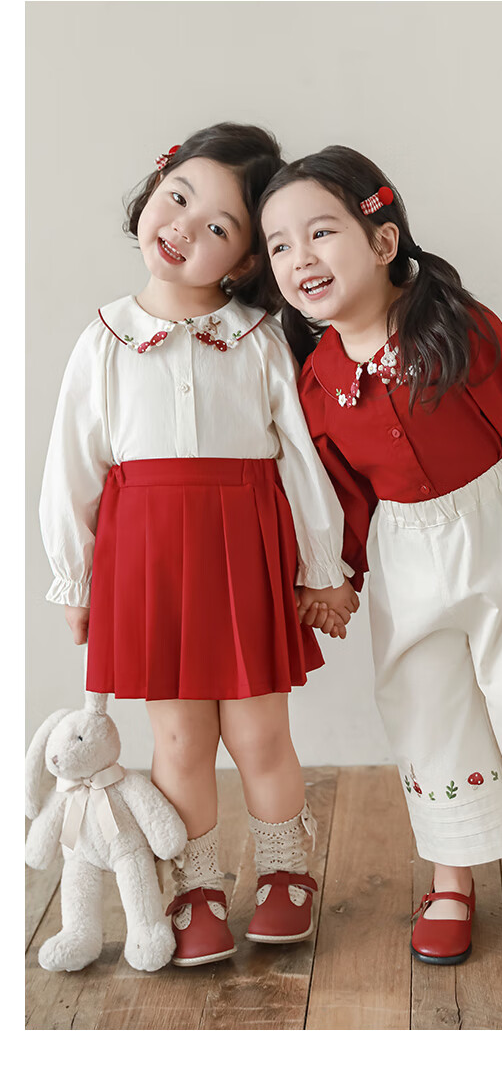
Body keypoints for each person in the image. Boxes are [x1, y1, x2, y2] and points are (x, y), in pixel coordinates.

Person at [260, 146, 502, 967]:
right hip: (406, 551)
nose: (299, 257)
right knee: (426, 706)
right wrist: (338, 574)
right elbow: (338, 492)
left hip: (499, 531)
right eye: (279, 244)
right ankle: (451, 873)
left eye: (320, 232)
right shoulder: (318, 379)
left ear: (382, 239)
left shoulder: (452, 328)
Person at [39, 124, 358, 967]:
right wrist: (74, 579)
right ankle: (195, 884)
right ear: (154, 188)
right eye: (178, 198)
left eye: (218, 225)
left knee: (259, 731)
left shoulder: (258, 339)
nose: (185, 226)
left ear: (246, 260)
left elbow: (300, 461)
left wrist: (322, 567)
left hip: (243, 551)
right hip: (147, 563)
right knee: (178, 739)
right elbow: (72, 467)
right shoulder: (104, 338)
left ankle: (287, 869)